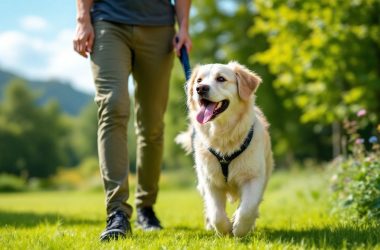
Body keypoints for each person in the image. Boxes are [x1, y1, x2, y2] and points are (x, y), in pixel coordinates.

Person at [73, 0, 192, 242]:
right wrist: (82, 19)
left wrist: (184, 26)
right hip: (108, 21)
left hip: (159, 28)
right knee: (113, 105)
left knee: (152, 123)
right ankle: (117, 211)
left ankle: (146, 208)